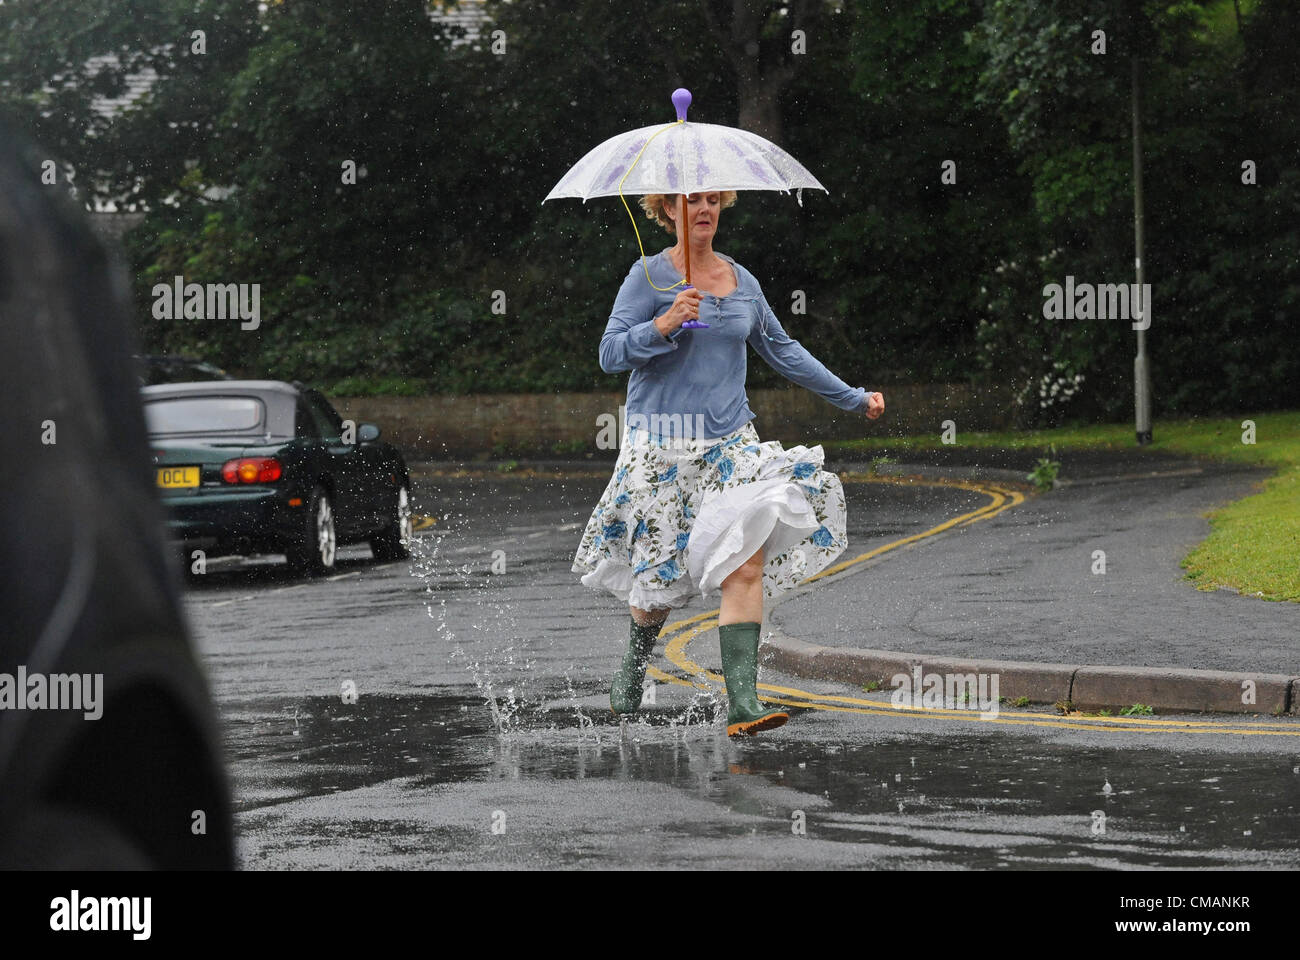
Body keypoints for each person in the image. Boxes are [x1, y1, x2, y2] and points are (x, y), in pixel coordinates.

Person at [571, 190, 884, 737]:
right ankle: (634, 660)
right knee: (659, 586)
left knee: (745, 562)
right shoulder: (647, 276)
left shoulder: (742, 282)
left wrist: (851, 397)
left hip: (730, 446)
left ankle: (743, 703)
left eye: (714, 200)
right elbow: (609, 353)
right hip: (660, 449)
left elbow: (782, 349)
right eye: (693, 201)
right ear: (668, 210)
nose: (705, 209)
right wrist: (664, 324)